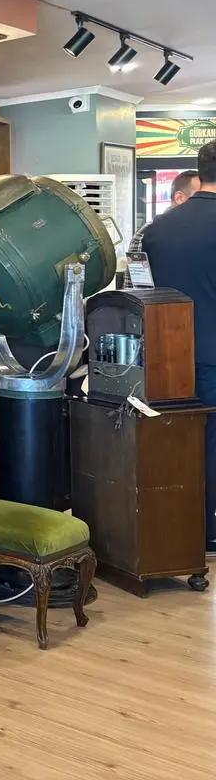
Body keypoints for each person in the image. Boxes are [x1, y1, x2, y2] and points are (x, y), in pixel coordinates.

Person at [142, 146, 216, 549]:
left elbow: (143, 293)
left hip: (167, 356)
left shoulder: (158, 229)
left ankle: (182, 530)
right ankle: (210, 532)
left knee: (177, 445)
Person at [124, 169, 198, 287]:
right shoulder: (147, 231)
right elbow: (135, 284)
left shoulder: (201, 231)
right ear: (179, 198)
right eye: (198, 196)